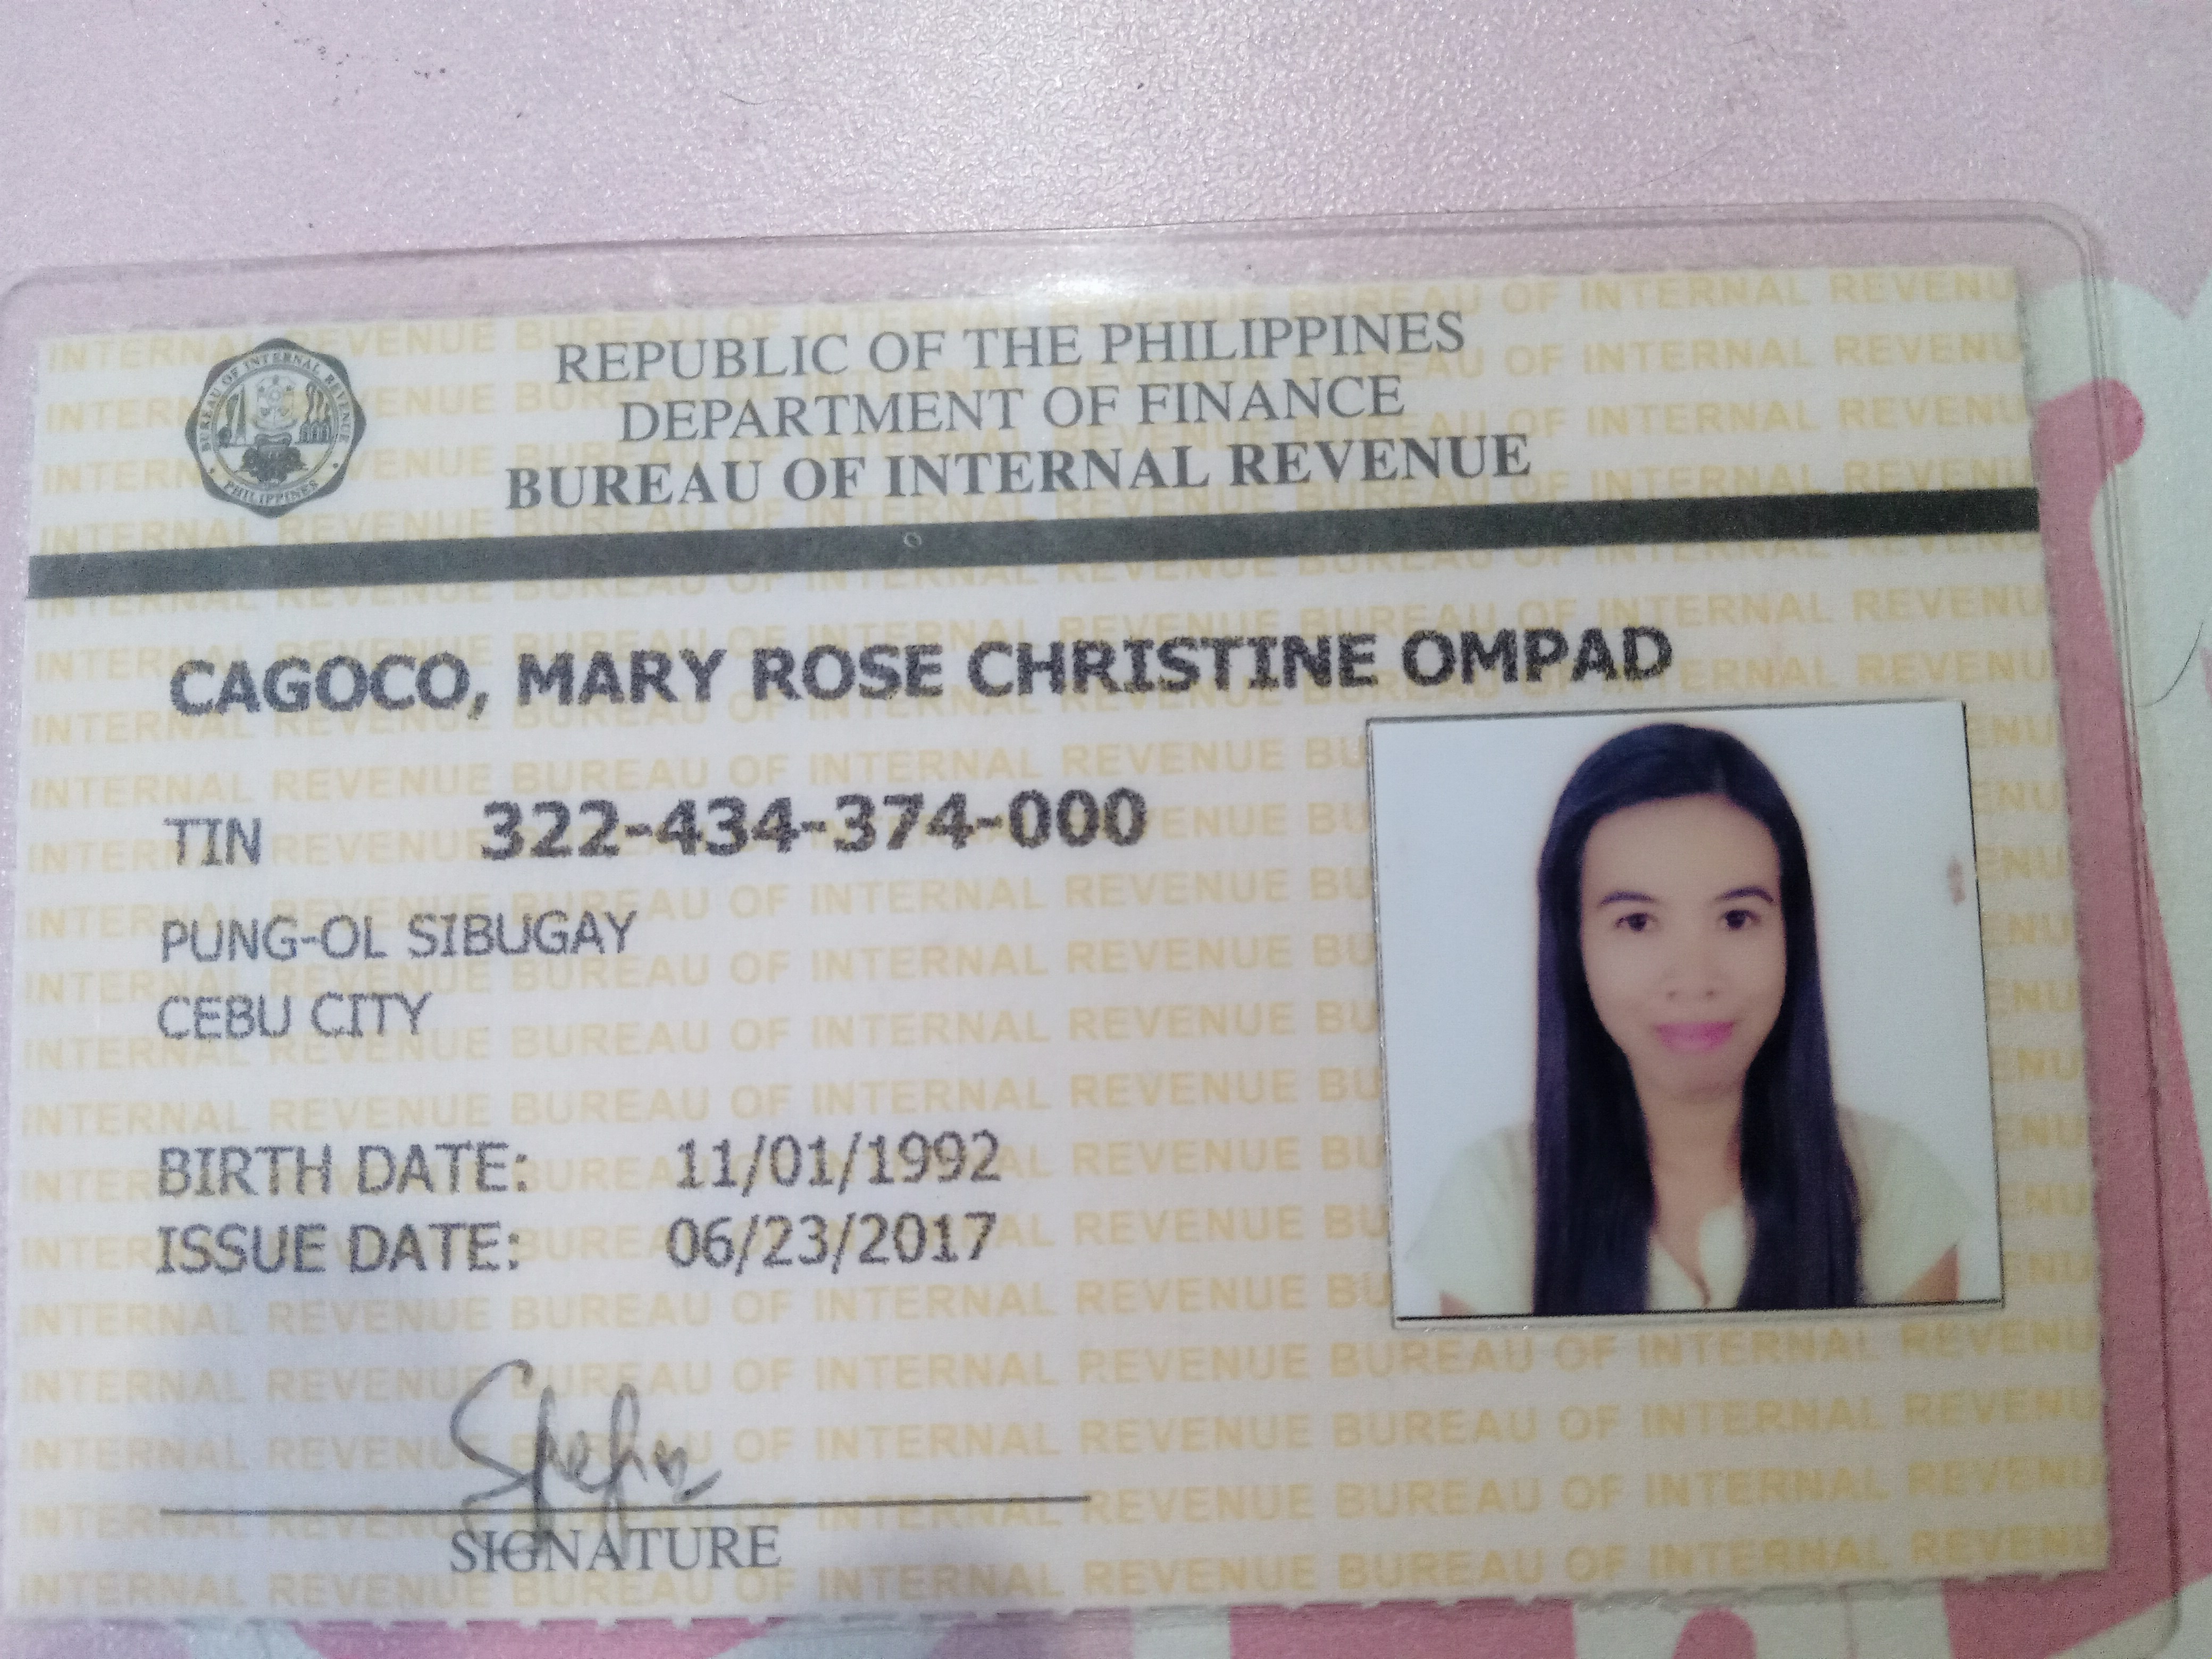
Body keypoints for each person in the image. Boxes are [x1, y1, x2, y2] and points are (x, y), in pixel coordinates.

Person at [1408, 722, 1972, 1317]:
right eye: (1637, 923)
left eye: (1736, 919)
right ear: (1575, 947)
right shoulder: (1497, 1196)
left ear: (1791, 935)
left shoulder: (1891, 1182)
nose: (1695, 980)